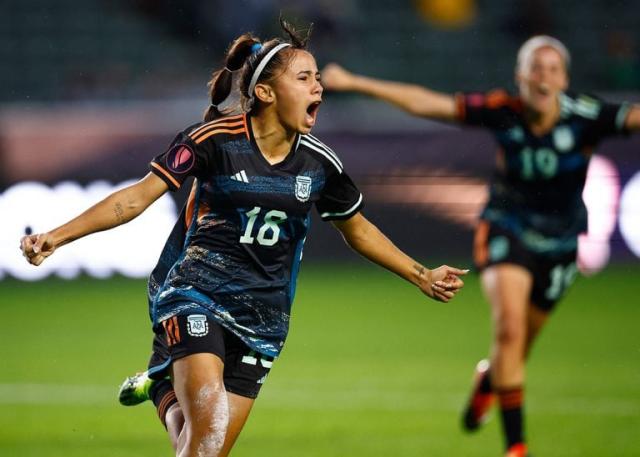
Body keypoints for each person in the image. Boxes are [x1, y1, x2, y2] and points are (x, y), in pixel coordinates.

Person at [20, 18, 467, 457]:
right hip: (195, 294)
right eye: (304, 77)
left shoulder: (320, 164)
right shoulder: (213, 140)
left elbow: (358, 229)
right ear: (266, 92)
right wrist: (57, 237)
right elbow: (135, 199)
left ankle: (162, 391)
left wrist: (421, 274)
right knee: (208, 431)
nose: (319, 87)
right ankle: (168, 381)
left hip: (264, 317)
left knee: (203, 447)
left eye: (317, 78)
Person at [320, 35, 640, 457]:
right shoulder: (503, 112)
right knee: (508, 331)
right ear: (520, 77)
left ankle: (488, 382)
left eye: (552, 69)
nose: (543, 77)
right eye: (535, 68)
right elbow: (426, 103)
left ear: (564, 79)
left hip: (561, 244)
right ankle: (516, 447)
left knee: (518, 348)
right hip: (507, 230)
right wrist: (357, 82)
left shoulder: (589, 115)